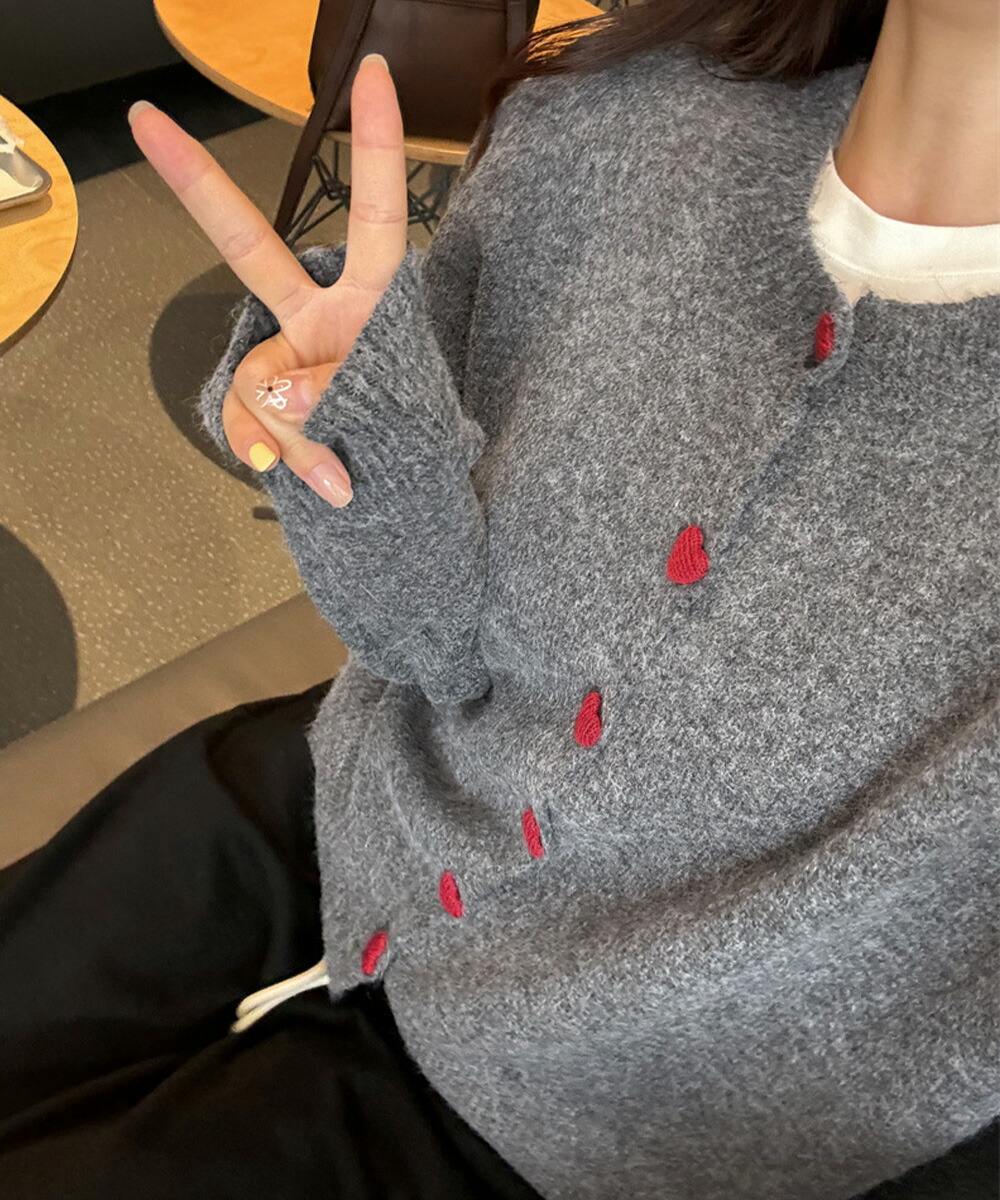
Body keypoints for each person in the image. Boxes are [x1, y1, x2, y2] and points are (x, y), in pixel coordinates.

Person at [1, 0, 997, 1196]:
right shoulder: (611, 119)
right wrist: (358, 444)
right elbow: (430, 640)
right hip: (353, 790)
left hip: (605, 1106)